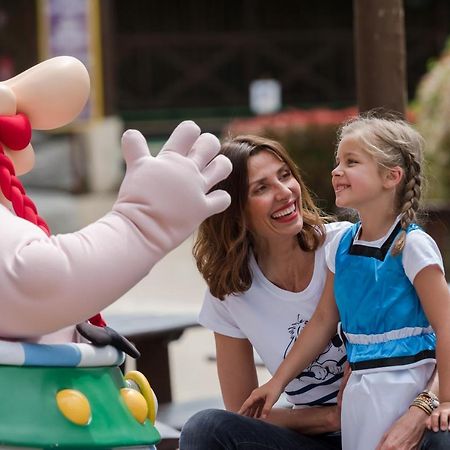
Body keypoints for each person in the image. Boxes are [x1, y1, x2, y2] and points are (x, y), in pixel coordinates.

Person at [179, 133, 448, 450]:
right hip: (319, 437)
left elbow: (439, 330)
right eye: (261, 188)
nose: (284, 192)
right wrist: (331, 418)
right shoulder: (229, 293)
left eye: (284, 175)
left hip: (401, 417)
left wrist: (425, 407)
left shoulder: (353, 245)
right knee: (206, 428)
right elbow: (245, 410)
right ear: (235, 210)